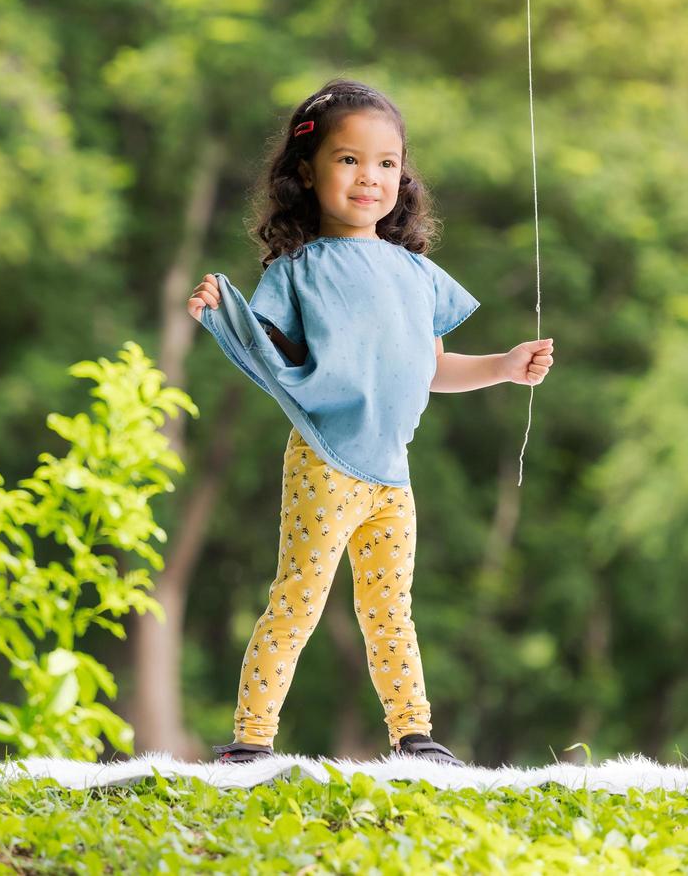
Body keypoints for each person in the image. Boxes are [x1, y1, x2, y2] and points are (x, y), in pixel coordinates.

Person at [187, 78, 554, 765]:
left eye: (386, 163)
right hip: (327, 461)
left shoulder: (416, 274)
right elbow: (264, 349)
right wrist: (219, 313)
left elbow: (431, 369)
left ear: (402, 178)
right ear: (307, 172)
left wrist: (503, 365)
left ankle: (412, 734)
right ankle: (251, 740)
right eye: (348, 159)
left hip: (393, 473)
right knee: (297, 598)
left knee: (390, 611)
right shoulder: (298, 270)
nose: (369, 178)